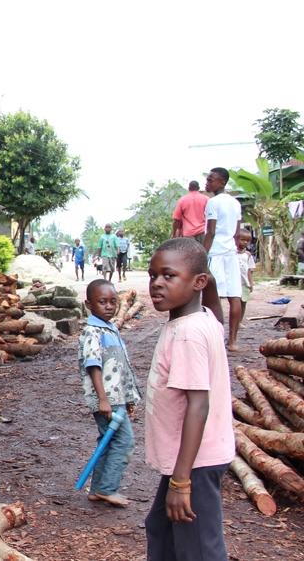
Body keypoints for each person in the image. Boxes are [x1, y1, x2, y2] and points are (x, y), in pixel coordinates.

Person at [144, 237, 234, 561]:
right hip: (189, 457)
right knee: (160, 527)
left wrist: (181, 483)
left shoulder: (188, 334)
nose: (157, 284)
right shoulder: (206, 318)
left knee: (199, 549)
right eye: (152, 275)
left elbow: (199, 405)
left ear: (198, 282)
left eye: (169, 276)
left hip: (195, 462)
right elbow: (213, 303)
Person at [78, 279, 141, 507]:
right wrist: (103, 399)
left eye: (113, 302)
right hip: (107, 400)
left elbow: (120, 367)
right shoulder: (93, 331)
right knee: (124, 442)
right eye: (102, 302)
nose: (109, 306)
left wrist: (130, 399)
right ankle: (107, 488)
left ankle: (97, 489)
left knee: (108, 441)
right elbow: (93, 365)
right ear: (89, 304)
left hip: (117, 398)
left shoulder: (111, 328)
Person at [202, 167, 243, 351]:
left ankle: (216, 340)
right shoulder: (235, 203)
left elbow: (210, 232)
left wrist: (202, 255)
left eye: (211, 180)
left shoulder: (213, 203)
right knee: (235, 297)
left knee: (211, 297)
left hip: (216, 253)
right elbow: (236, 232)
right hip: (231, 253)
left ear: (222, 183)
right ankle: (233, 341)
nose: (207, 183)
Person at [236, 229, 255, 321]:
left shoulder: (247, 255)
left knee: (243, 302)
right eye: (242, 240)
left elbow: (249, 269)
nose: (245, 242)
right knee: (236, 302)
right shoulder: (232, 254)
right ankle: (235, 320)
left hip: (244, 283)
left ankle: (240, 321)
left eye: (247, 240)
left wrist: (250, 282)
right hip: (234, 283)